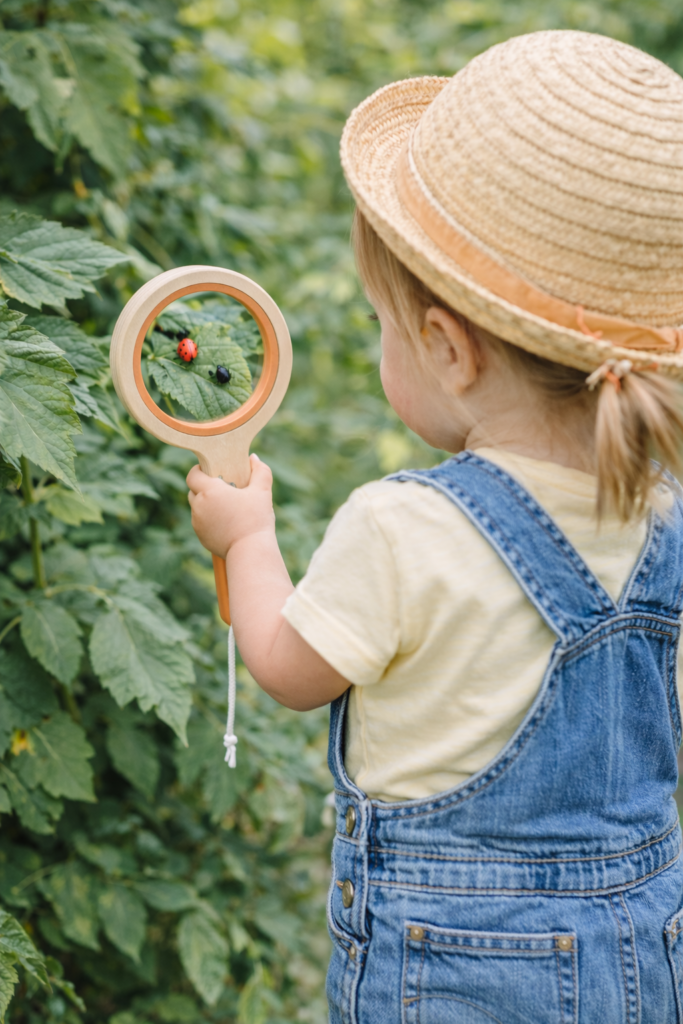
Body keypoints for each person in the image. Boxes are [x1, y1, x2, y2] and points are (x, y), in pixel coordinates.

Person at [187, 29, 683, 1024]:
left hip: (445, 974)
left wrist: (245, 541)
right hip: (643, 956)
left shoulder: (400, 526)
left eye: (382, 320)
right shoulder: (660, 513)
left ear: (447, 349)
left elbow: (287, 668)